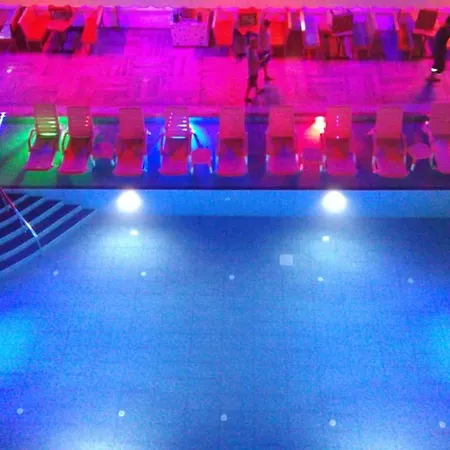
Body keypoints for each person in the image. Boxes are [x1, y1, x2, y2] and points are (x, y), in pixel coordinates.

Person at [427, 16, 450, 82]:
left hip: (439, 50)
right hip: (439, 50)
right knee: (439, 65)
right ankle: (431, 76)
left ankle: (431, 76)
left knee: (437, 64)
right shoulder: (444, 30)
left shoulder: (444, 29)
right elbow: (440, 41)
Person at [245, 37, 264, 103]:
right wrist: (262, 60)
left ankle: (257, 90)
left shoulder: (250, 49)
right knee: (250, 85)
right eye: (255, 43)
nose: (256, 44)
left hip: (253, 70)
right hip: (252, 71)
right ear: (252, 44)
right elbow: (256, 61)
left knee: (255, 80)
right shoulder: (251, 53)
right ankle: (246, 97)